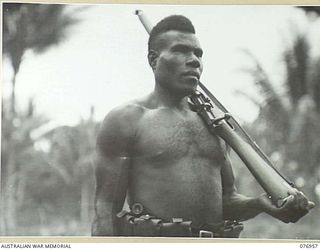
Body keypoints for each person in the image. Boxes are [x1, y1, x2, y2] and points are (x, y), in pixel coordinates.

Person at [91, 15, 314, 237]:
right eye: (180, 51)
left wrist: (259, 204)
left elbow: (227, 201)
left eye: (198, 53)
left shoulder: (214, 123)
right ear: (153, 59)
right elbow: (106, 209)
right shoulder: (128, 119)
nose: (194, 60)